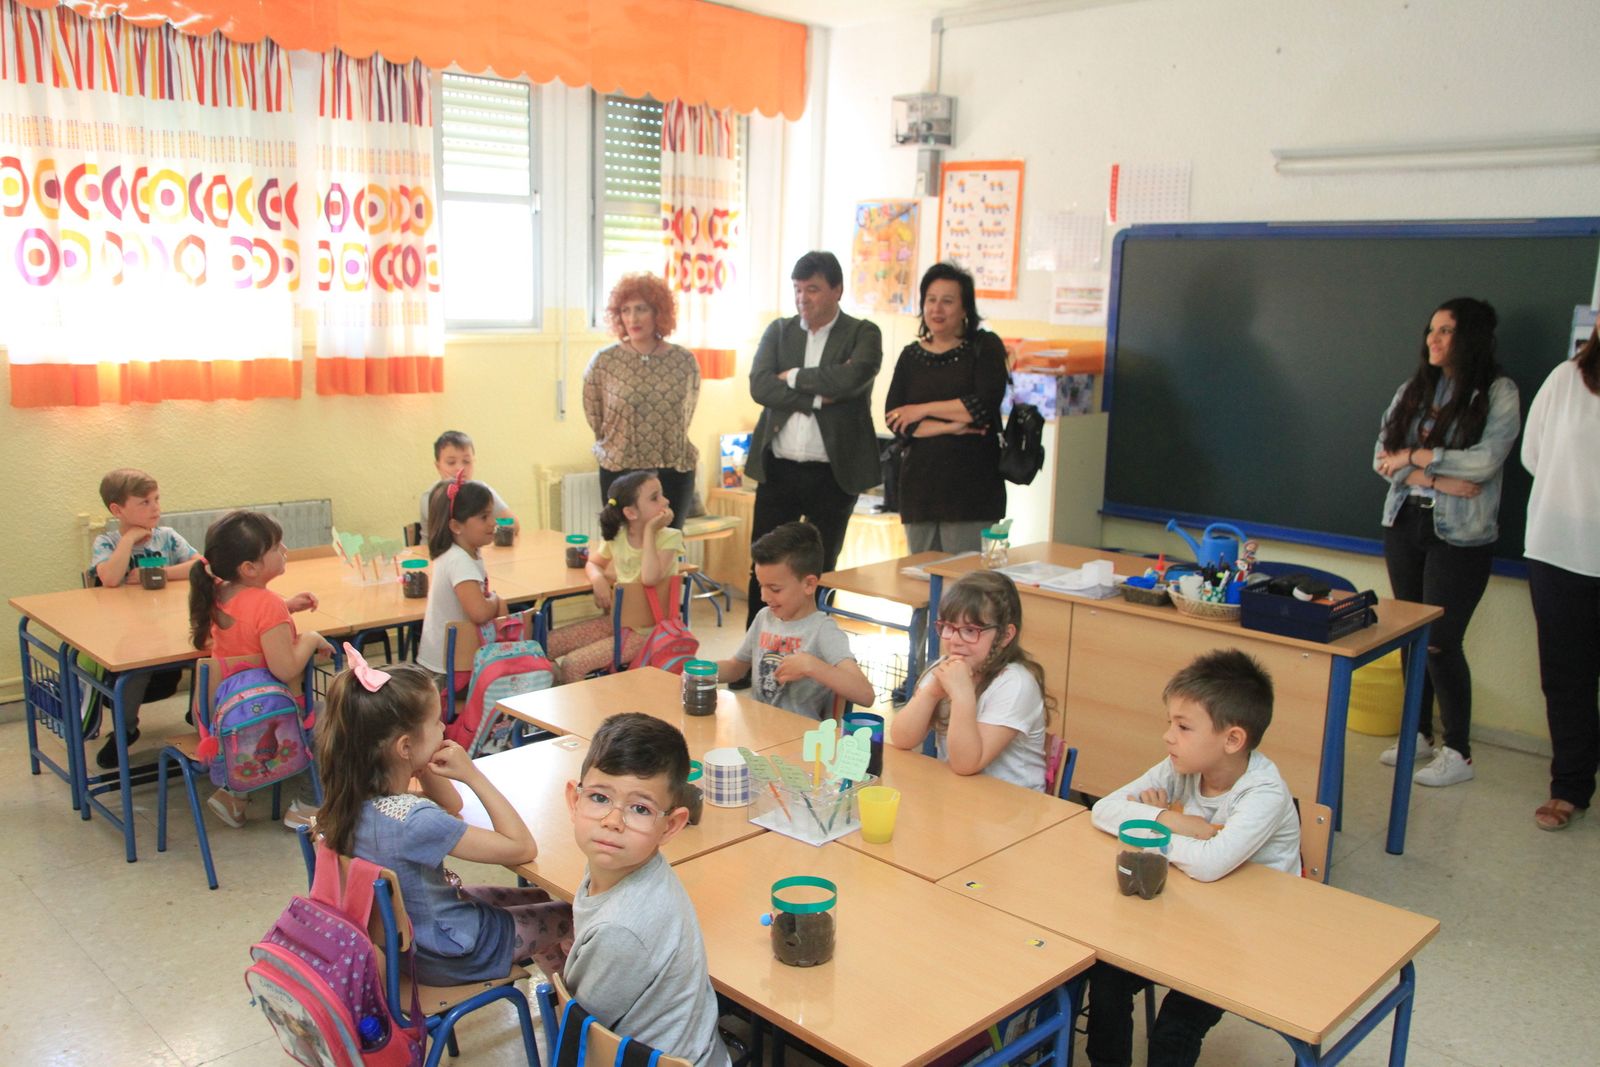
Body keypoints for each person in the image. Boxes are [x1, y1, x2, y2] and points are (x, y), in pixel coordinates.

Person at [1084, 649, 1300, 1067]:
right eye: (1170, 723)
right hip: (1187, 915)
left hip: (1248, 936)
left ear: (1232, 740)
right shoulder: (1181, 766)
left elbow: (1210, 863)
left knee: (1175, 1026)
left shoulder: (1264, 791)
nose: (1168, 737)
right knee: (1106, 977)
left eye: (1183, 727)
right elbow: (1104, 809)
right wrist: (1172, 820)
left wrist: (1149, 830)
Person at [315, 644, 571, 985]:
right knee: (571, 914)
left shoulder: (354, 798)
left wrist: (419, 765)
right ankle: (567, 1001)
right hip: (452, 953)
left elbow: (452, 806)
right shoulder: (417, 821)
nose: (444, 728)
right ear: (404, 746)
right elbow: (522, 847)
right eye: (436, 722)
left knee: (537, 897)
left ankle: (558, 993)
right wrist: (473, 775)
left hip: (409, 944)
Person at [1373, 297, 1520, 786]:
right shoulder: (1414, 389)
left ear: (1470, 336)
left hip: (1460, 535)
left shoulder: (1497, 392)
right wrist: (1436, 479)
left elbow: (1485, 461)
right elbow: (1381, 458)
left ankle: (1459, 751)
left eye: (1446, 331)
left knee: (1440, 642)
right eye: (1431, 330)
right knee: (1410, 634)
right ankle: (1417, 734)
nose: (1433, 340)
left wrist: (1417, 458)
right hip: (1404, 522)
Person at [563, 713, 731, 1067]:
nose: (612, 821)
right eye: (599, 797)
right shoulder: (618, 863)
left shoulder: (621, 929)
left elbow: (581, 1029)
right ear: (574, 800)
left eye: (640, 808)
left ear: (671, 826)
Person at [744, 251, 884, 632]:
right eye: (797, 289)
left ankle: (813, 648)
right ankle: (756, 649)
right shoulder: (779, 331)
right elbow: (760, 386)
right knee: (765, 565)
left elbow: (851, 380)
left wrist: (791, 377)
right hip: (779, 469)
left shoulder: (862, 333)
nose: (802, 298)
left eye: (813, 289)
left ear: (837, 290)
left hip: (833, 473)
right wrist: (819, 398)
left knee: (820, 569)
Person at [188, 511, 331, 828]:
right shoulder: (267, 605)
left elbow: (247, 619)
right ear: (249, 568)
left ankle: (233, 797)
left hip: (222, 714)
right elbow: (285, 669)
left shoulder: (219, 590)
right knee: (332, 718)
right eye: (277, 547)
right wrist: (310, 638)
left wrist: (286, 606)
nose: (285, 550)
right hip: (266, 716)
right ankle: (308, 805)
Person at [1522, 320, 1600, 830]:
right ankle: (1570, 787)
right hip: (1559, 550)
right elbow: (1534, 456)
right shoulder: (1566, 379)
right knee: (1567, 679)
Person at [884, 262, 1009, 554]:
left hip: (972, 488)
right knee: (918, 575)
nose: (937, 309)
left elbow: (981, 406)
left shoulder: (985, 347)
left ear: (965, 308)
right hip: (920, 487)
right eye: (931, 300)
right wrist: (952, 425)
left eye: (948, 301)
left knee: (964, 577)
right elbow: (896, 419)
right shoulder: (911, 356)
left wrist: (920, 410)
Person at [887, 570, 1049, 790]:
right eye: (948, 627)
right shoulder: (949, 667)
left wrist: (962, 695)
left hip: (1014, 803)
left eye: (970, 630)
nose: (954, 640)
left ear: (1005, 635)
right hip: (961, 792)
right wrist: (931, 692)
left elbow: (966, 763)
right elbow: (902, 738)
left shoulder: (1016, 683)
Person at [87, 468, 198, 769]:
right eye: (144, 502)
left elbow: (199, 565)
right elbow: (110, 578)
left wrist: (161, 573)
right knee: (133, 672)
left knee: (207, 653)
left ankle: (200, 715)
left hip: (170, 627)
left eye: (156, 499)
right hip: (130, 636)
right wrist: (130, 539)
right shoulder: (107, 542)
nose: (155, 508)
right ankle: (125, 731)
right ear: (117, 510)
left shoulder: (168, 537)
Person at [715, 522, 874, 718]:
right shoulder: (764, 617)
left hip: (800, 734)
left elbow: (865, 694)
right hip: (758, 727)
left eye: (775, 589)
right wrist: (697, 670)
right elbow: (735, 668)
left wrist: (812, 666)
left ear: (809, 584)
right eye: (760, 585)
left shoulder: (823, 631)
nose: (764, 596)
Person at [583, 273, 701, 529]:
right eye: (625, 310)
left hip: (673, 470)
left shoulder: (684, 361)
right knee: (623, 545)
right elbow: (595, 415)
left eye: (641, 309)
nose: (632, 318)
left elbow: (686, 413)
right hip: (620, 471)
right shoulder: (604, 362)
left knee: (668, 545)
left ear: (658, 312)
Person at [547, 470, 683, 684]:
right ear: (630, 513)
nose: (665, 501)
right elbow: (593, 562)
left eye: (661, 494)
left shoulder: (670, 538)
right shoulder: (618, 537)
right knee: (545, 644)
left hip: (650, 632)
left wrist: (650, 531)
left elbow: (649, 578)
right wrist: (598, 580)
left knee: (573, 664)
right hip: (617, 623)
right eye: (655, 497)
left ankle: (584, 704)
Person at [416, 475, 507, 690]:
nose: (493, 522)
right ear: (456, 526)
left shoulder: (464, 553)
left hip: (451, 662)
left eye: (491, 515)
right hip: (447, 670)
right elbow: (479, 612)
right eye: (484, 517)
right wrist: (496, 601)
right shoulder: (459, 560)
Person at [419, 430, 518, 540]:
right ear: (438, 466)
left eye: (466, 461)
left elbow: (513, 523)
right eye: (451, 462)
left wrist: (494, 524)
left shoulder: (482, 491)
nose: (460, 468)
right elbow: (453, 535)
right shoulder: (433, 496)